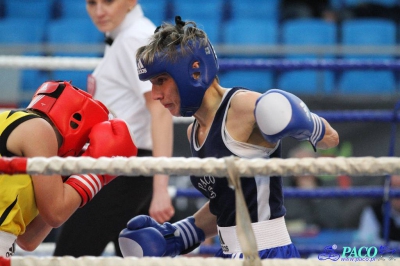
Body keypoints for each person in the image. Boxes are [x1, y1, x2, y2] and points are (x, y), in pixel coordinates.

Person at [117, 16, 340, 259]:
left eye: (161, 81)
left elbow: (331, 138)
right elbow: (228, 205)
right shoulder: (194, 131)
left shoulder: (243, 107)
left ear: (193, 71)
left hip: (267, 253)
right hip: (228, 254)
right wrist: (179, 235)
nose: (156, 94)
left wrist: (309, 125)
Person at [53, 0, 174, 257]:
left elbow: (160, 111)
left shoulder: (134, 39)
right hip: (123, 167)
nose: (99, 11)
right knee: (132, 256)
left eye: (108, 1)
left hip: (121, 170)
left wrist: (161, 188)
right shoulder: (128, 36)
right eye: (91, 2)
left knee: (69, 257)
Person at [0, 80, 137, 257]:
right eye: (86, 143)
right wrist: (94, 172)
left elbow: (28, 239)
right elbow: (56, 213)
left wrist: (68, 177)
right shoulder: (39, 129)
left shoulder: (13, 122)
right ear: (75, 121)